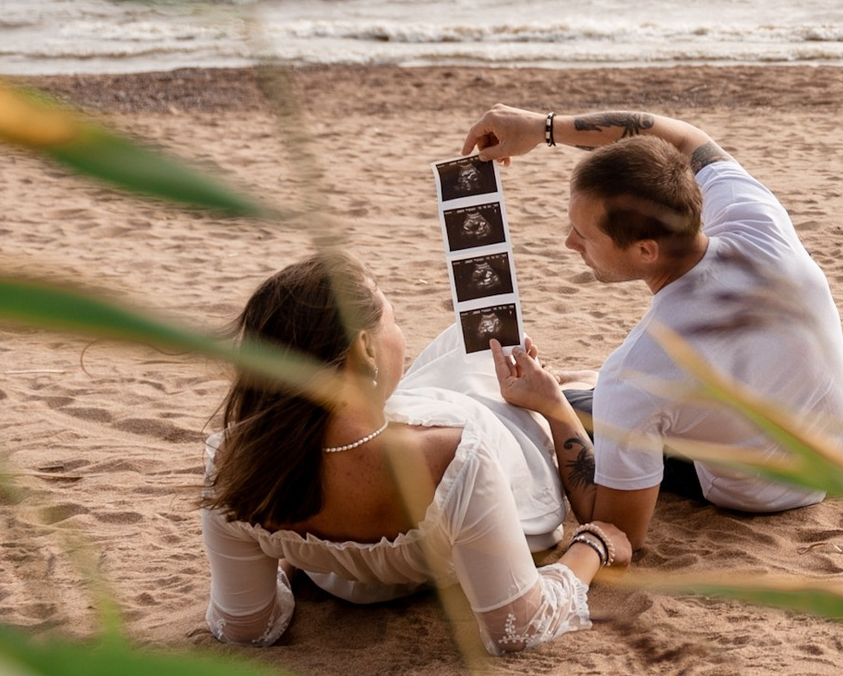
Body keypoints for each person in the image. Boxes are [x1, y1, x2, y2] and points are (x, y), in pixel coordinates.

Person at [461, 104, 843, 555]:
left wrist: (552, 407)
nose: (569, 242)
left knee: (569, 408)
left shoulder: (637, 371)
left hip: (771, 490)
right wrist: (541, 128)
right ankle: (578, 386)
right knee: (623, 397)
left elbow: (618, 531)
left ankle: (566, 392)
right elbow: (681, 138)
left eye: (583, 234)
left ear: (645, 250)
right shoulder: (756, 219)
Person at [198, 256, 632, 654]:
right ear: (366, 349)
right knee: (479, 355)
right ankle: (558, 394)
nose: (399, 334)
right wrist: (591, 546)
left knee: (464, 354)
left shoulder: (235, 462)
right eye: (393, 320)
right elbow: (521, 625)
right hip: (486, 487)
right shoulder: (453, 456)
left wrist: (291, 558)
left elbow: (245, 627)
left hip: (350, 574)